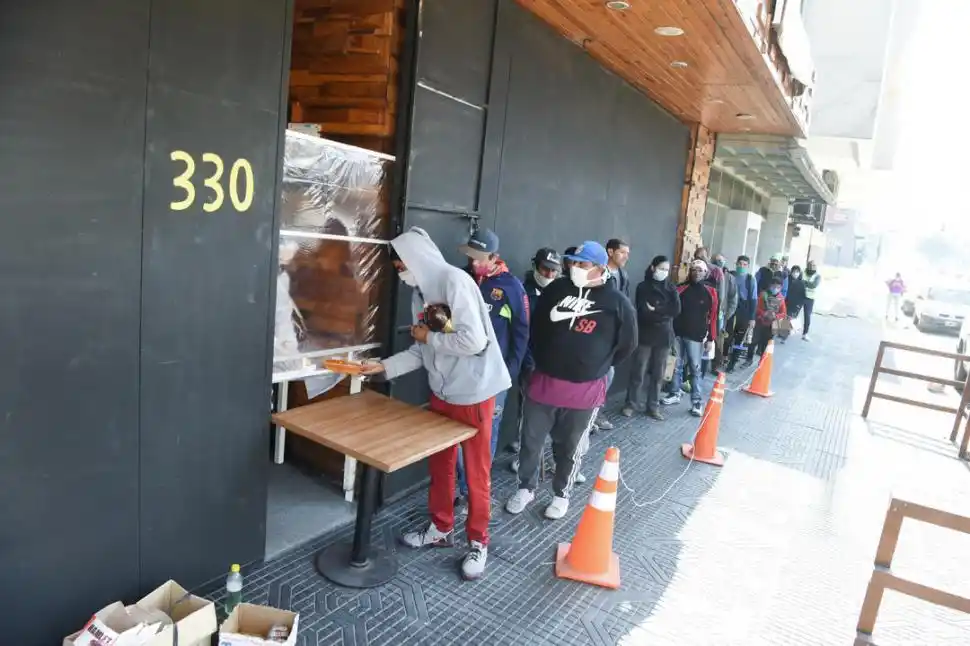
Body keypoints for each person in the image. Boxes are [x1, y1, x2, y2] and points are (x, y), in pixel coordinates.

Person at [360, 226, 511, 581]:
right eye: (397, 268)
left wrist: (429, 336)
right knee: (441, 464)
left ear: (415, 258)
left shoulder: (454, 281)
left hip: (475, 392)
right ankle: (441, 527)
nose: (400, 272)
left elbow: (474, 341)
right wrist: (382, 367)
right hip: (442, 394)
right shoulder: (420, 295)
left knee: (476, 472)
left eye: (401, 265)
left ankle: (478, 541)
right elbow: (420, 350)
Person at [506, 241, 637, 520]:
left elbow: (627, 344)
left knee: (569, 447)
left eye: (583, 264)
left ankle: (561, 494)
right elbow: (537, 326)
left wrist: (598, 365)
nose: (575, 268)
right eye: (573, 263)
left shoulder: (617, 303)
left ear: (600, 268)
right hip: (543, 383)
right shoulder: (556, 290)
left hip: (584, 391)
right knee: (530, 442)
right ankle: (526, 488)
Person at [454, 229, 530, 513]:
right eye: (470, 257)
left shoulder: (511, 288)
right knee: (457, 434)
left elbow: (521, 333)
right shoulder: (461, 279)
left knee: (484, 438)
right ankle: (461, 490)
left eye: (479, 258)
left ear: (495, 257)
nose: (473, 263)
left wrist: (508, 374)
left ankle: (477, 495)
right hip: (460, 374)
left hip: (493, 379)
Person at [509, 247, 562, 472]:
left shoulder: (561, 291)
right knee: (528, 411)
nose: (549, 275)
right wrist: (528, 360)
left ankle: (552, 456)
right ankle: (524, 453)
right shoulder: (523, 291)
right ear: (536, 266)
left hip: (555, 362)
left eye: (554, 271)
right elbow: (520, 331)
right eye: (545, 269)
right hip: (529, 361)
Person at [622, 255, 680, 420]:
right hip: (645, 335)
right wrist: (662, 312)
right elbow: (643, 312)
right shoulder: (643, 287)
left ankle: (653, 406)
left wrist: (656, 309)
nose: (664, 272)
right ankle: (631, 404)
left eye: (667, 270)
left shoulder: (671, 288)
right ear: (653, 267)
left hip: (664, 336)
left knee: (658, 374)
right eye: (661, 268)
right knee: (638, 371)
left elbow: (675, 310)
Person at [662, 260, 719, 417]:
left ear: (706, 273)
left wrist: (711, 338)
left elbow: (713, 317)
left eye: (700, 270)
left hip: (696, 336)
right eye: (694, 270)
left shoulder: (711, 292)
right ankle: (674, 392)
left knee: (695, 368)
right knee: (675, 365)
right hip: (677, 334)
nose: (696, 273)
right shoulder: (680, 288)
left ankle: (696, 402)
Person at [593, 239, 631, 431]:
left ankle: (595, 412)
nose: (626, 257)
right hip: (595, 332)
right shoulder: (598, 273)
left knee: (608, 374)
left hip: (612, 336)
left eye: (627, 253)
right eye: (622, 252)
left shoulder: (623, 275)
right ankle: (592, 413)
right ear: (610, 251)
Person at [726, 255, 758, 371]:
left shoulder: (751, 279)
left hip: (744, 310)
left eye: (744, 265)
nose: (742, 266)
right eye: (740, 264)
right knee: (727, 336)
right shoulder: (731, 275)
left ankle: (732, 363)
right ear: (736, 264)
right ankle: (724, 357)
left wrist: (752, 317)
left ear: (748, 266)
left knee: (739, 339)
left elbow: (754, 299)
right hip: (731, 309)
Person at [712, 253, 738, 370]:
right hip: (707, 312)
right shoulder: (708, 273)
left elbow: (733, 299)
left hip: (721, 314)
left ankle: (716, 365)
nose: (719, 262)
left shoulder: (730, 278)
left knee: (719, 341)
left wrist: (727, 315)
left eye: (721, 260)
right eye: (716, 260)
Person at [753, 276, 788, 357]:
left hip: (772, 325)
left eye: (778, 287)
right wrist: (763, 313)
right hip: (760, 322)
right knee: (754, 341)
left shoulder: (781, 299)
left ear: (781, 288)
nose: (775, 288)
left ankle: (763, 359)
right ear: (770, 285)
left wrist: (776, 315)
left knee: (767, 344)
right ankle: (749, 358)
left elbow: (783, 313)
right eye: (773, 286)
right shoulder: (763, 295)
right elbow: (756, 307)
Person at [785, 265, 807, 342]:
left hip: (795, 304)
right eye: (794, 272)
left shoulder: (801, 283)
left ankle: (786, 334)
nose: (795, 273)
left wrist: (799, 305)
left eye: (797, 272)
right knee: (785, 317)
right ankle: (782, 332)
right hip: (786, 302)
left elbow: (803, 296)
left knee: (791, 318)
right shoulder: (787, 280)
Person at [802, 260, 821, 341]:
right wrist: (805, 283)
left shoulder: (817, 276)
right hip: (800, 295)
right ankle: (783, 332)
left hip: (810, 298)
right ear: (807, 265)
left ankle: (805, 333)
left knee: (807, 316)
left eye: (813, 265)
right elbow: (799, 281)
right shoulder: (803, 272)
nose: (812, 267)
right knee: (791, 313)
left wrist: (804, 282)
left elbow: (813, 285)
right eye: (810, 265)